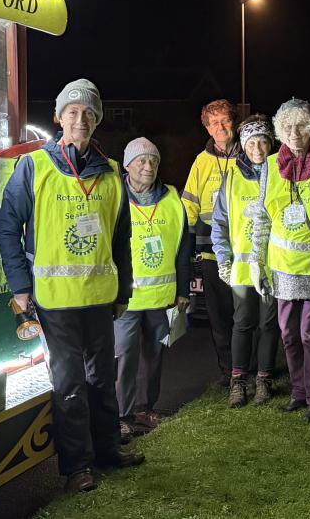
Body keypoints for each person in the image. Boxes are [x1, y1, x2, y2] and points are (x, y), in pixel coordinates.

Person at [0, 78, 143, 494]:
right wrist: (20, 286)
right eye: (73, 112)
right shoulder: (34, 166)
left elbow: (121, 239)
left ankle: (108, 450)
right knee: (70, 385)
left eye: (89, 113)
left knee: (102, 379)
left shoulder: (113, 173)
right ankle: (78, 465)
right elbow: (8, 227)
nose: (81, 119)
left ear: (96, 120)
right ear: (59, 118)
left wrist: (123, 290)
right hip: (54, 301)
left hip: (99, 298)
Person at [251, 98, 310, 422]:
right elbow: (262, 218)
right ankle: (298, 392)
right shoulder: (270, 166)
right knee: (288, 335)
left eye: (301, 126)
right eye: (287, 127)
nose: (294, 132)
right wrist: (256, 262)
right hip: (282, 267)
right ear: (279, 130)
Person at [114, 137, 191, 440]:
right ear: (127, 165)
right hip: (125, 299)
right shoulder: (114, 196)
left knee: (154, 356)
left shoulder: (173, 199)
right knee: (124, 357)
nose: (148, 167)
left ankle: (146, 408)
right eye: (141, 161)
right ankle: (122, 414)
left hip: (161, 296)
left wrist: (183, 291)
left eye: (153, 161)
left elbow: (183, 249)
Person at [212, 114, 282, 407]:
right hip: (241, 268)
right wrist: (223, 259)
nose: (257, 148)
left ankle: (264, 379)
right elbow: (219, 222)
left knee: (269, 324)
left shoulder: (281, 173)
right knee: (242, 322)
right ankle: (238, 381)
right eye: (251, 142)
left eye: (263, 141)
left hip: (274, 265)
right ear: (243, 145)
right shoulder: (231, 178)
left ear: (271, 143)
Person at [183, 99, 241, 383]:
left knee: (245, 315)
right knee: (219, 319)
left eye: (225, 120)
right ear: (207, 128)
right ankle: (228, 371)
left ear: (235, 122)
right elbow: (189, 207)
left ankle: (249, 368)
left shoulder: (250, 153)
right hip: (210, 254)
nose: (220, 127)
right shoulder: (201, 162)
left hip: (244, 253)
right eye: (213, 123)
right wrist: (185, 246)